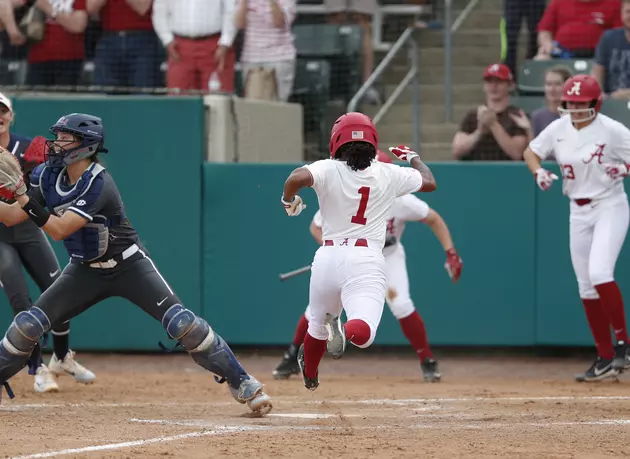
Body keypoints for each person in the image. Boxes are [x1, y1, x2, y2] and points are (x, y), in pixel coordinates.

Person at [0, 113, 272, 415]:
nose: (56, 144)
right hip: (83, 270)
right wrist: (20, 199)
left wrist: (23, 197)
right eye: (58, 136)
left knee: (184, 324)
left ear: (85, 146)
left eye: (65, 138)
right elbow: (12, 216)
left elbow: (59, 229)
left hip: (128, 266)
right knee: (26, 326)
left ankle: (243, 382)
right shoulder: (49, 176)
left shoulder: (99, 182)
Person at [273, 151, 462, 383]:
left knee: (401, 304)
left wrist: (450, 252)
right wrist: (334, 247)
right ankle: (293, 355)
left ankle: (427, 361)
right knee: (317, 312)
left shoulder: (400, 198)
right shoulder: (344, 193)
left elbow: (432, 217)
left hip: (387, 256)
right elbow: (316, 227)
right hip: (355, 255)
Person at [523, 74, 630, 382]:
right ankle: (604, 357)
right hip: (578, 210)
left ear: (596, 103)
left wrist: (623, 167)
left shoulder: (612, 131)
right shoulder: (558, 128)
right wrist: (538, 171)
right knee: (585, 286)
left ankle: (623, 343)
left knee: (599, 274)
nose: (574, 108)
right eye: (570, 102)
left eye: (581, 103)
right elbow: (531, 151)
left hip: (610, 205)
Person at [0, 94, 95, 394]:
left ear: (11, 116)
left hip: (28, 228)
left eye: (2, 111)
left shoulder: (27, 147)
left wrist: (33, 176)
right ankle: (37, 368)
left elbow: (45, 184)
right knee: (21, 301)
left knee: (58, 291)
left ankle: (62, 357)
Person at [531, 65, 573, 136]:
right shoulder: (538, 116)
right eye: (549, 84)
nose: (552, 89)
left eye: (558, 84)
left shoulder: (577, 115)